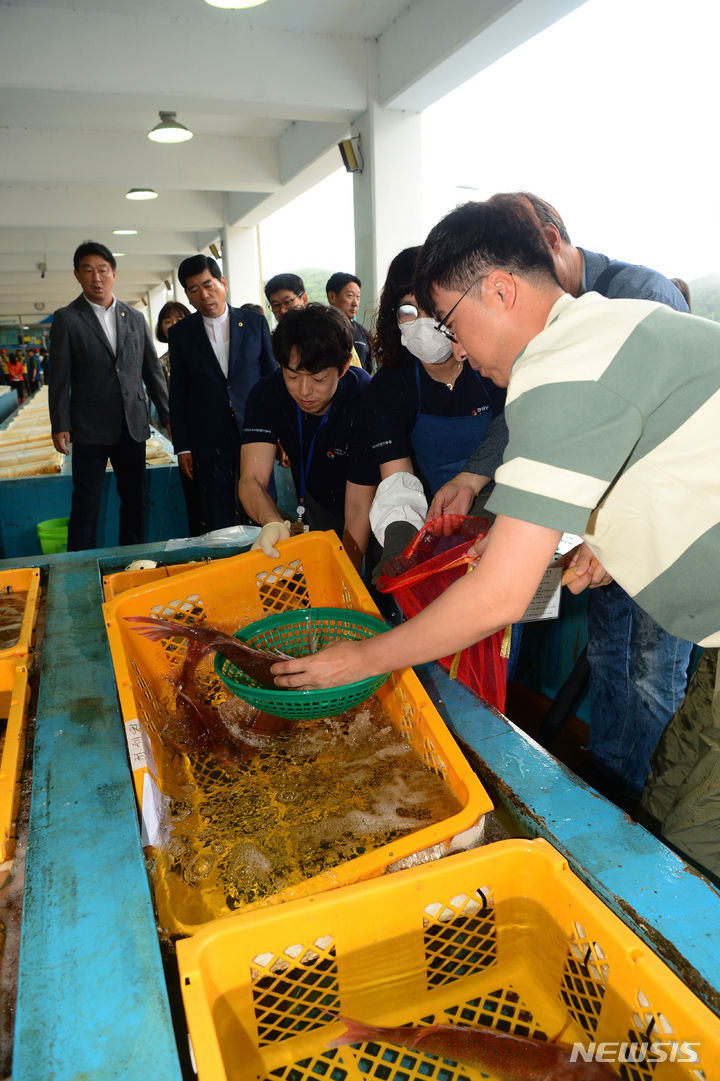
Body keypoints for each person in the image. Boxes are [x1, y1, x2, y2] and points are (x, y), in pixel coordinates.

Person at [271, 194, 720, 874]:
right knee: (658, 818)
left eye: (452, 323)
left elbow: (498, 597)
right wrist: (593, 536)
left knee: (688, 867)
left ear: (501, 290)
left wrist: (360, 659)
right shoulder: (606, 324)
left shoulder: (557, 367)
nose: (458, 351)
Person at [429, 193, 693, 809]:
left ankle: (639, 801)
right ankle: (605, 782)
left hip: (659, 530)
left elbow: (657, 434)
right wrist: (475, 477)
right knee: (606, 655)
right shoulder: (540, 326)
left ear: (545, 247)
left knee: (653, 673)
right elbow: (527, 412)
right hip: (602, 531)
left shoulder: (638, 294)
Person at [366, 246, 505, 572]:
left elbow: (516, 436)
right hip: (429, 520)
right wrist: (403, 540)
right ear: (393, 317)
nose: (424, 323)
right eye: (408, 311)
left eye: (433, 309)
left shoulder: (493, 367)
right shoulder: (388, 386)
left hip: (500, 513)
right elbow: (397, 477)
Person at [48, 240, 170, 551]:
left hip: (132, 424)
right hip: (89, 428)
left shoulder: (135, 318)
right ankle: (79, 567)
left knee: (135, 500)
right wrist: (59, 423)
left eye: (103, 270)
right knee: (86, 503)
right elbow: (59, 377)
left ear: (114, 273)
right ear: (77, 275)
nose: (96, 278)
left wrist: (169, 417)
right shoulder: (67, 318)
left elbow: (151, 373)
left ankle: (133, 560)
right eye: (88, 271)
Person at [239, 304, 377, 569]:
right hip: (316, 500)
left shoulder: (364, 398)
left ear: (345, 365)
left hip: (369, 507)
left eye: (318, 378)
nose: (304, 391)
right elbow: (251, 479)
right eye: (292, 375)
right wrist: (272, 522)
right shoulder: (266, 393)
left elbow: (359, 507)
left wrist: (344, 575)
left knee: (365, 581)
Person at [168, 254, 276, 532]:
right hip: (208, 438)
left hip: (255, 433)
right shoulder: (181, 334)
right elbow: (178, 393)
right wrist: (183, 446)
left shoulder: (254, 323)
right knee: (218, 515)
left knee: (263, 508)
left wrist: (281, 432)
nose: (204, 295)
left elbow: (271, 380)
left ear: (223, 283)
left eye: (209, 284)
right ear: (188, 296)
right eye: (194, 290)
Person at [154, 300, 204, 537]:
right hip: (180, 438)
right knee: (193, 496)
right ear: (161, 328)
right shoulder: (161, 363)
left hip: (208, 434)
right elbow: (163, 406)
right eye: (168, 320)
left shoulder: (204, 353)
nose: (174, 324)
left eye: (180, 318)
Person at [326, 271, 373, 372]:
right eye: (350, 296)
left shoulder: (364, 333)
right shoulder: (319, 330)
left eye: (358, 297)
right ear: (332, 297)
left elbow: (369, 370)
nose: (355, 303)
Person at [155, 300, 191, 386]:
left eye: (179, 320)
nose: (174, 325)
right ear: (162, 328)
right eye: (168, 322)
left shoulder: (204, 355)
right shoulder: (160, 365)